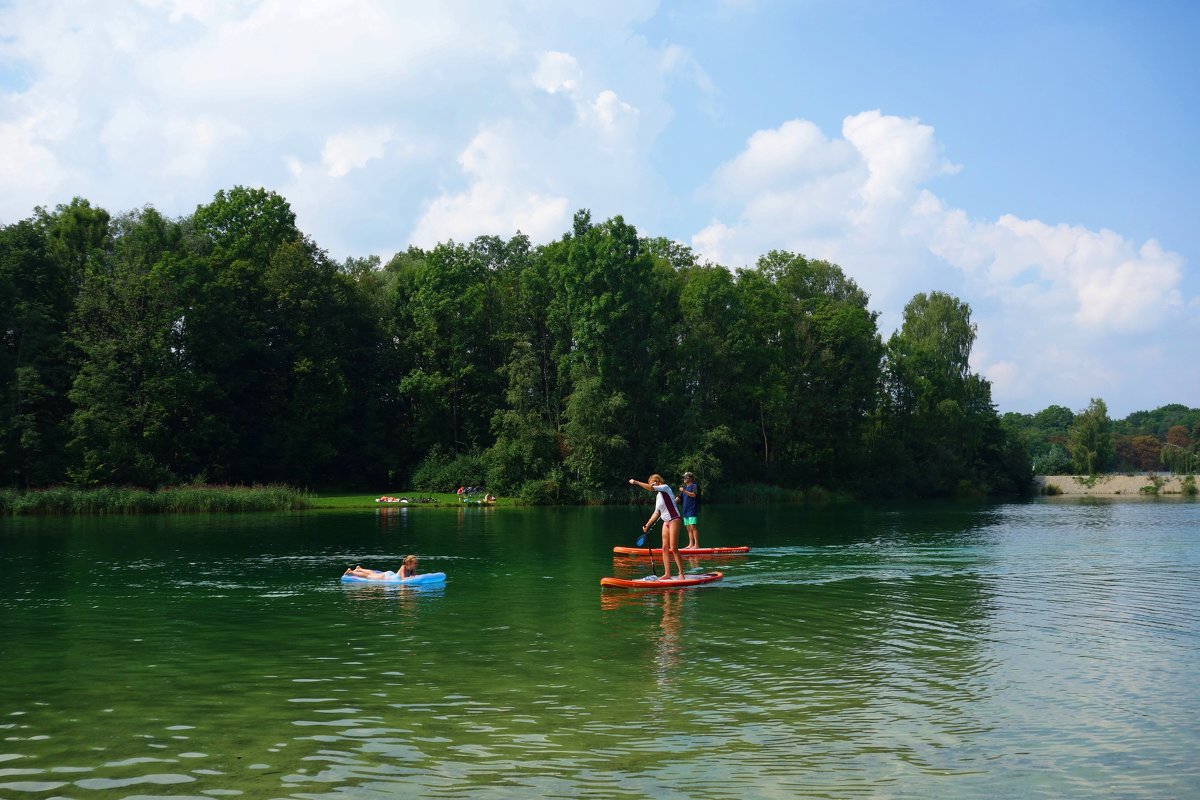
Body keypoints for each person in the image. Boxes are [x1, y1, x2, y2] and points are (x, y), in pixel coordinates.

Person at [628, 474, 685, 580]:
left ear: (657, 481)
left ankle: (681, 573)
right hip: (666, 522)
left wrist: (636, 482)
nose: (651, 485)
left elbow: (650, 488)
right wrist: (647, 525)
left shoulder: (665, 488)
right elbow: (656, 513)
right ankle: (667, 573)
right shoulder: (658, 496)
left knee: (673, 547)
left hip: (674, 520)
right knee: (664, 547)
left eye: (652, 482)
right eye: (650, 483)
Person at [678, 471, 700, 549]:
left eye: (685, 477)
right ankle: (691, 544)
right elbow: (679, 498)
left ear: (690, 478)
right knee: (688, 528)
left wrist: (683, 491)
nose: (683, 478)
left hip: (692, 510)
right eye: (683, 477)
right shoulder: (684, 488)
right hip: (685, 511)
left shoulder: (694, 486)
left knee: (693, 526)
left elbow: (694, 495)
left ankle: (696, 545)